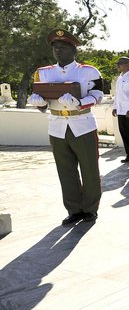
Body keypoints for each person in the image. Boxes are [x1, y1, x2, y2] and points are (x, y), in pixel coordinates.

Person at [28, 29, 104, 225]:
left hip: (82, 125)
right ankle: (74, 210)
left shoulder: (88, 71)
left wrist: (79, 103)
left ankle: (90, 209)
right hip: (57, 127)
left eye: (63, 47)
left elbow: (98, 95)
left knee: (89, 169)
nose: (58, 51)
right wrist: (39, 104)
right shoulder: (44, 73)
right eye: (55, 48)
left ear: (73, 49)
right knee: (65, 170)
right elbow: (43, 101)